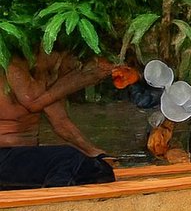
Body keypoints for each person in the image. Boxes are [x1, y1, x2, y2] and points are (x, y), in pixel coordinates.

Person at [0, 50, 118, 189]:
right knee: (69, 157)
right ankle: (53, 198)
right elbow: (32, 102)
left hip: (22, 161)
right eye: (59, 55)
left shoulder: (41, 80)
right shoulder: (12, 66)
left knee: (100, 170)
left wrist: (95, 153)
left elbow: (61, 122)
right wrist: (83, 77)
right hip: (4, 157)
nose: (61, 61)